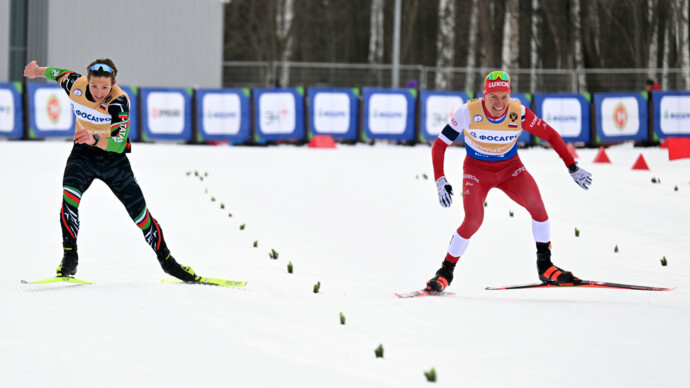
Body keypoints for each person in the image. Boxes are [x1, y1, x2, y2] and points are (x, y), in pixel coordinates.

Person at [23, 59, 199, 282]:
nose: (98, 92)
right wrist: (37, 70)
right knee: (69, 196)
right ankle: (70, 256)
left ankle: (168, 262)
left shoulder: (119, 101)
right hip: (83, 155)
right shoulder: (75, 84)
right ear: (88, 80)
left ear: (113, 83)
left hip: (113, 160)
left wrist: (94, 137)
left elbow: (118, 143)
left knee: (141, 216)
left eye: (105, 87)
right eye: (94, 86)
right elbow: (56, 73)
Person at [426, 71, 592, 292]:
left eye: (504, 96)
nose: (499, 103)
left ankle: (546, 266)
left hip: (510, 169)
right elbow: (439, 145)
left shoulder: (519, 112)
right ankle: (445, 272)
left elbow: (551, 135)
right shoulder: (467, 112)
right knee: (473, 220)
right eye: (493, 97)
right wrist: (440, 180)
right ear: (484, 96)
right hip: (477, 171)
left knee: (539, 209)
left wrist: (572, 166)